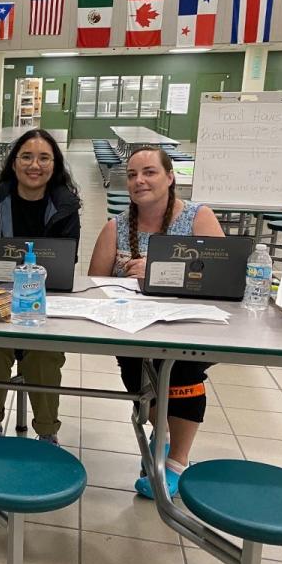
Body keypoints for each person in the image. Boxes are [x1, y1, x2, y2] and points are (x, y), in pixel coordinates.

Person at [88, 146, 224, 499]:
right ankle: (159, 434)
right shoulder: (115, 227)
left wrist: (159, 273)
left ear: (170, 177)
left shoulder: (197, 218)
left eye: (149, 172)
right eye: (132, 175)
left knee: (181, 372)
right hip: (133, 328)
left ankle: (177, 461)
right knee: (140, 377)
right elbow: (93, 285)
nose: (139, 181)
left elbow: (225, 275)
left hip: (190, 325)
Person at [0, 129, 81, 443]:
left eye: (44, 157)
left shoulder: (65, 205)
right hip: (2, 297)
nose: (35, 165)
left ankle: (47, 432)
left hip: (46, 300)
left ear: (55, 164)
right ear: (15, 162)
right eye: (27, 156)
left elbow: (66, 260)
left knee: (43, 354)